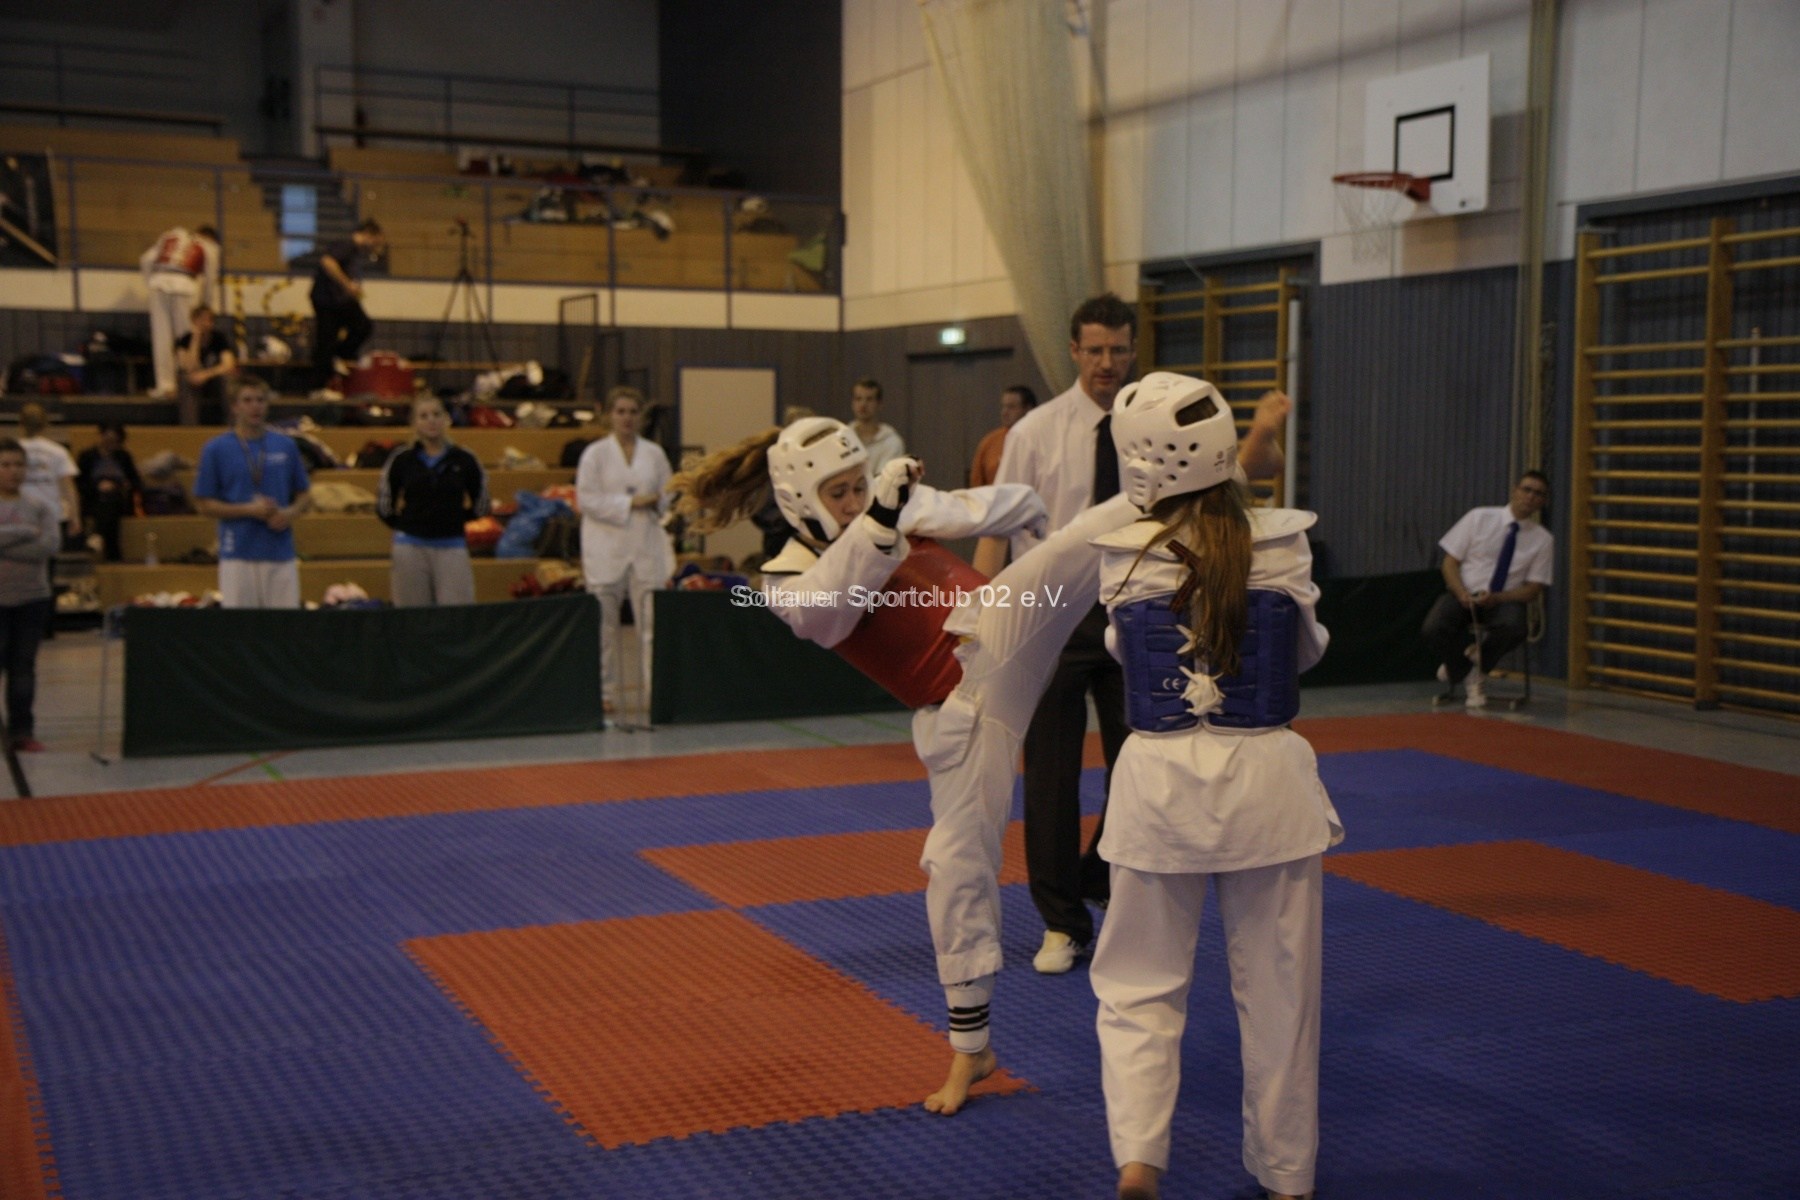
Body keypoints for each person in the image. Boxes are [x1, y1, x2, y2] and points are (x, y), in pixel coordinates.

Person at [1087, 373, 1340, 1200]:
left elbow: (1124, 656)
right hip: (1267, 787)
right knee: (1281, 995)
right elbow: (1304, 654)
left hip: (1158, 787)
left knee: (1137, 985)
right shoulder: (1286, 542)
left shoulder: (1120, 553)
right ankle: (1287, 1175)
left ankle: (1138, 1155)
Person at [973, 292, 1140, 975]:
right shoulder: (1035, 432)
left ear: (1133, 350)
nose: (1107, 362)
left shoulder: (1149, 429)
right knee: (1050, 775)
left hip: (1133, 610)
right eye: (1095, 350)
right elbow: (998, 527)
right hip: (1049, 614)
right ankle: (1061, 922)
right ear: (1074, 351)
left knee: (1143, 765)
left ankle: (1099, 871)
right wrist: (981, 618)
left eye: (1118, 349)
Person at [576, 386, 676, 716]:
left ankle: (655, 691)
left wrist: (659, 501)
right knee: (604, 626)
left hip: (646, 545)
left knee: (652, 625)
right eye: (620, 411)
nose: (627, 418)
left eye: (633, 411)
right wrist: (630, 502)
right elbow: (586, 500)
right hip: (606, 547)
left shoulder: (654, 454)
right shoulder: (595, 455)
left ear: (641, 416)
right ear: (610, 415)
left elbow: (668, 494)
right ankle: (603, 692)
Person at [1420, 471, 1553, 709]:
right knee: (1433, 626)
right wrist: (1461, 592)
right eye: (1526, 489)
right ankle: (1465, 670)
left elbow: (1533, 589)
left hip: (1503, 599)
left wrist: (1499, 597)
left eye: (1538, 494)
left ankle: (1474, 663)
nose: (1531, 496)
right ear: (1515, 490)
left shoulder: (1543, 539)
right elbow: (1449, 563)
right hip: (1464, 592)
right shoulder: (1478, 517)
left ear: (1542, 501)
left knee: (1515, 627)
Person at [193, 380, 313, 608]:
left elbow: (304, 494)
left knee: (283, 624)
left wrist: (288, 513)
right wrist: (248, 510)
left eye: (260, 400)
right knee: (242, 625)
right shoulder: (216, 449)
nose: (255, 406)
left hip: (279, 551)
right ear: (234, 406)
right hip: (238, 552)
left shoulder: (285, 445)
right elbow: (204, 504)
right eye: (247, 400)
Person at [376, 396, 489, 606]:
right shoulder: (402, 459)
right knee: (412, 617)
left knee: (456, 615)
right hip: (409, 547)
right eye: (424, 416)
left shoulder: (465, 459)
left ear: (446, 419)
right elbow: (384, 505)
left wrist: (457, 519)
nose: (431, 421)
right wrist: (405, 525)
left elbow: (482, 504)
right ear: (414, 423)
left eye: (436, 414)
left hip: (452, 545)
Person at [0, 438, 61, 753]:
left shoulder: (40, 507)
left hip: (32, 598)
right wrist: (23, 532)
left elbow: (48, 546)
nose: (13, 471)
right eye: (6, 465)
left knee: (23, 667)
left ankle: (21, 731)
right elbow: (33, 541)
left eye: (18, 464)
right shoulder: (29, 522)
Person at [139, 224, 220, 400]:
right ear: (211, 238)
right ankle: (185, 383)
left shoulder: (170, 235)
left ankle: (165, 386)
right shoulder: (208, 246)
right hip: (185, 285)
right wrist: (205, 306)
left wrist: (150, 282)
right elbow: (210, 277)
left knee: (161, 338)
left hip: (158, 284)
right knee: (185, 338)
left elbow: (146, 259)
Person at [309, 219, 386, 400]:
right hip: (330, 301)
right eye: (376, 241)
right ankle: (320, 383)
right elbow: (328, 262)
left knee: (354, 330)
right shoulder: (347, 245)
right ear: (368, 234)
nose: (375, 246)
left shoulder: (354, 252)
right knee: (334, 337)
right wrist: (347, 285)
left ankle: (337, 358)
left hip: (337, 300)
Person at [75, 423, 145, 563]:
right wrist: (97, 487)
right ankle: (113, 554)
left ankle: (97, 535)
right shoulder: (86, 456)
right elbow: (79, 483)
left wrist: (118, 485)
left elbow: (136, 481)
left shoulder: (124, 456)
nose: (110, 444)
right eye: (107, 440)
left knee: (111, 501)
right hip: (93, 499)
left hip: (118, 499)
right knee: (107, 508)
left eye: (114, 441)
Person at [17, 403, 79, 545]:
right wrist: (74, 516)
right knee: (48, 554)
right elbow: (68, 487)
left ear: (21, 423)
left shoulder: (10, 451)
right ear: (46, 424)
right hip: (51, 513)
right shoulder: (58, 451)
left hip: (19, 513)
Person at [174, 305, 239, 425]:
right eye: (200, 320)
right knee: (184, 379)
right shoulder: (185, 340)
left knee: (228, 379)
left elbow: (228, 364)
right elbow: (188, 366)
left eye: (208, 319)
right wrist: (196, 339)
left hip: (215, 379)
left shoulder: (219, 339)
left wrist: (205, 374)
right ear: (193, 321)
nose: (205, 323)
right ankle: (189, 428)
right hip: (194, 380)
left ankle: (234, 426)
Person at [968, 384, 1037, 488]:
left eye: (1011, 407)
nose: (1004, 412)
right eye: (1004, 406)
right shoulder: (990, 442)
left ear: (1028, 409)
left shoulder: (1040, 440)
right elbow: (976, 485)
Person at [849, 377, 906, 472]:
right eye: (858, 399)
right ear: (852, 403)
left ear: (879, 404)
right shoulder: (842, 439)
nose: (863, 404)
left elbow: (885, 476)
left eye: (869, 399)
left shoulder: (892, 442)